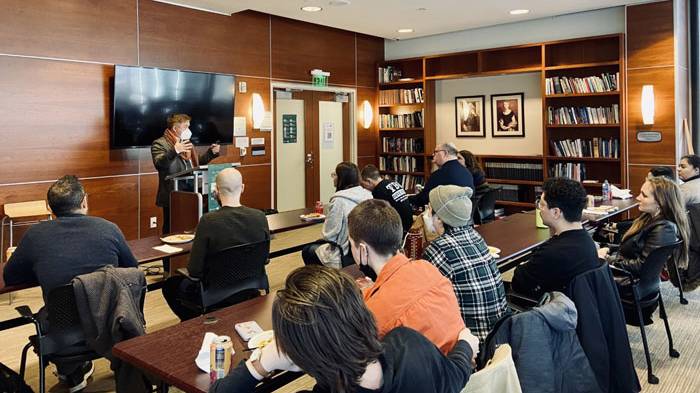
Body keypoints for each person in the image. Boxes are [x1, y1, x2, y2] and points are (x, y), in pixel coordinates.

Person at [210, 265, 479, 393]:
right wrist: (466, 344)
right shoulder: (410, 345)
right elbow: (454, 375)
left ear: (301, 356)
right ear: (359, 309)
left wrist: (262, 364)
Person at [2, 175, 138, 392]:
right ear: (84, 201)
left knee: (48, 313)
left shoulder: (35, 235)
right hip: (111, 325)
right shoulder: (109, 228)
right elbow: (133, 271)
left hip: (63, 335)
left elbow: (11, 276)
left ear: (49, 206)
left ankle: (72, 372)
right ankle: (93, 365)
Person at [348, 199, 468, 354]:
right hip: (463, 365)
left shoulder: (374, 313)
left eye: (351, 243)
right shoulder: (428, 268)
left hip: (427, 376)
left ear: (363, 250)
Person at [161, 168, 270, 321]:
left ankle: (193, 323)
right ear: (243, 188)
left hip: (215, 294)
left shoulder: (208, 221)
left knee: (170, 285)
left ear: (216, 191)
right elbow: (264, 258)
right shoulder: (259, 217)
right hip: (250, 287)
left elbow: (194, 270)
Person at [422, 185, 509, 341]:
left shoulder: (438, 249)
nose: (427, 213)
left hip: (470, 344)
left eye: (430, 209)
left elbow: (423, 301)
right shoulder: (476, 236)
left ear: (440, 218)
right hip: (499, 334)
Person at [599, 177, 690, 315]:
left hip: (633, 286)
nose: (638, 197)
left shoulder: (664, 229)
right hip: (636, 281)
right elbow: (632, 248)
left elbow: (641, 266)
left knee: (581, 280)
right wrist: (610, 250)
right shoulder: (648, 219)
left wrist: (608, 259)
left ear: (660, 203)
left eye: (644, 195)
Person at [511, 177, 600, 299]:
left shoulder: (552, 253)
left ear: (556, 212)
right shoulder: (587, 240)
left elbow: (518, 283)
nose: (539, 209)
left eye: (542, 204)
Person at [151, 113, 220, 237]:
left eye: (189, 126)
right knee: (172, 227)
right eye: (185, 126)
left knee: (192, 227)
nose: (189, 130)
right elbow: (159, 163)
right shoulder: (159, 143)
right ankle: (169, 256)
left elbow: (196, 163)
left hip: (193, 192)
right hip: (173, 193)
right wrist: (175, 150)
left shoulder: (187, 143)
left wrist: (211, 153)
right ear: (175, 128)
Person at [302, 162, 372, 268]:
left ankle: (325, 281)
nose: (333, 178)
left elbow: (329, 235)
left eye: (335, 175)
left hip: (342, 254)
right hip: (364, 251)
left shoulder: (339, 201)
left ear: (342, 178)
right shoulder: (368, 195)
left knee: (307, 250)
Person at [409, 142, 474, 208]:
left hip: (446, 215)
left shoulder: (440, 174)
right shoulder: (466, 172)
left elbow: (424, 199)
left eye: (436, 152)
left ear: (445, 153)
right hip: (464, 214)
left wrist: (406, 199)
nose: (433, 154)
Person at [360, 164, 414, 233]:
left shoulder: (379, 191)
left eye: (363, 185)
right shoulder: (393, 182)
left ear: (369, 181)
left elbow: (379, 216)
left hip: (399, 229)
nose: (364, 188)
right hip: (409, 224)